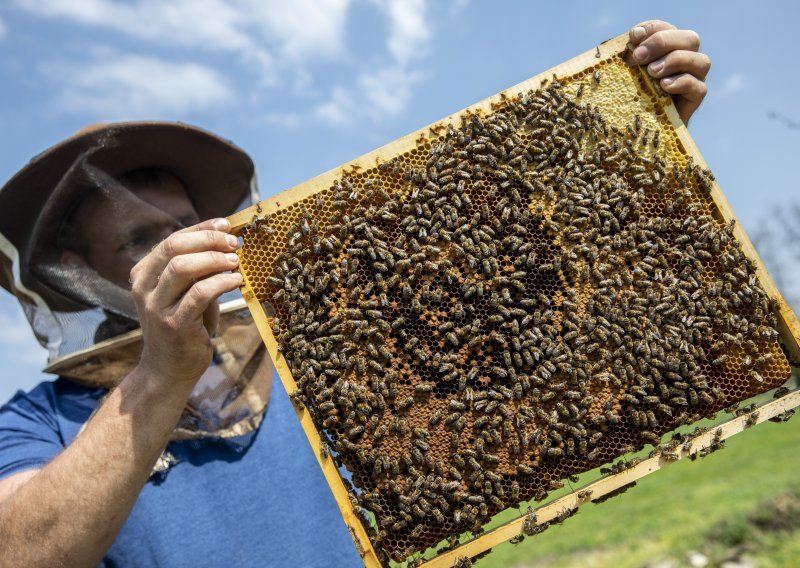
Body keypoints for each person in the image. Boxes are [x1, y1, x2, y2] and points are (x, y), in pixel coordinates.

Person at [0, 21, 711, 567]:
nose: (181, 250)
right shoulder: (39, 425)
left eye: (187, 228)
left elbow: (524, 333)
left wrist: (625, 153)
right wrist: (162, 375)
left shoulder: (319, 354)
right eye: (140, 242)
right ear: (77, 271)